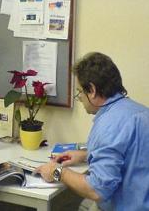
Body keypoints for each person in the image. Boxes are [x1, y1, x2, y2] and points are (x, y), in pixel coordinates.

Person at [35, 52, 149, 210]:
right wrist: (86, 155)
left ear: (92, 90)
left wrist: (57, 172)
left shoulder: (108, 124)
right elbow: (131, 154)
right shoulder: (140, 112)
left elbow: (97, 190)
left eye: (80, 91)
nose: (80, 97)